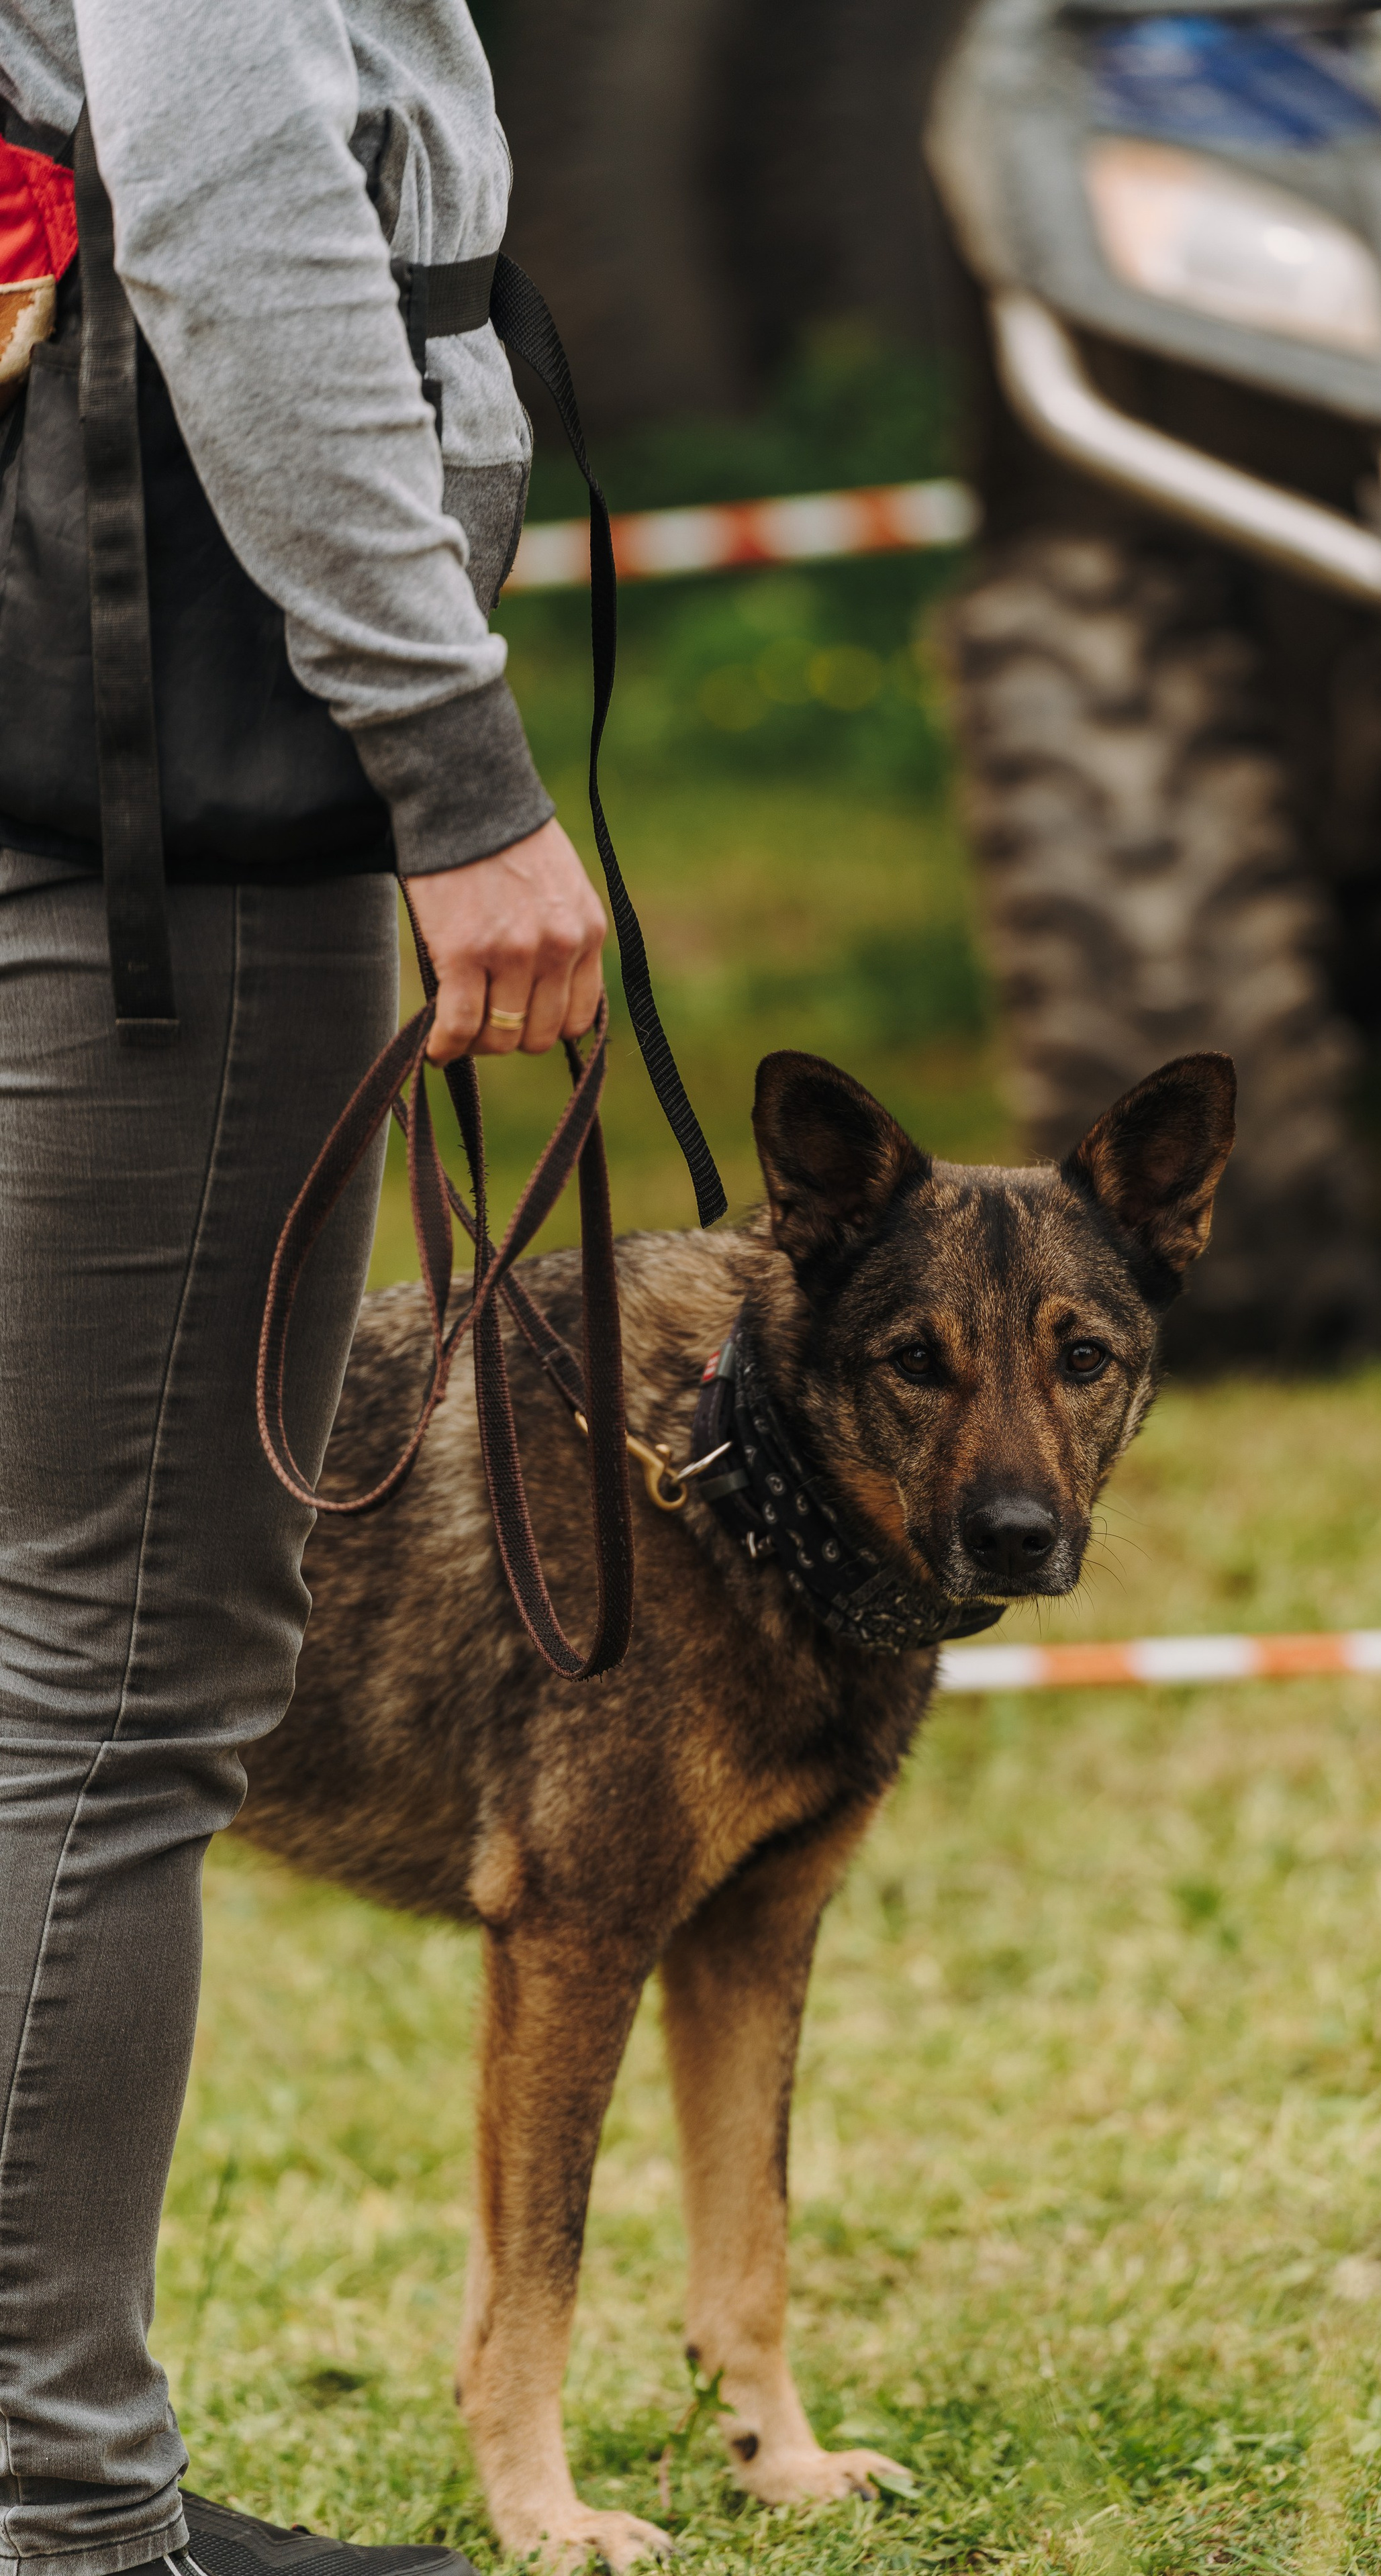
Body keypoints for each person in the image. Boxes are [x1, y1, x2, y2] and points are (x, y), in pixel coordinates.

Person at [0, 8, 611, 2576]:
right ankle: (61, 2514)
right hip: (176, 800)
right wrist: (460, 779)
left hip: (99, 753)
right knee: (118, 1676)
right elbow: (249, 244)